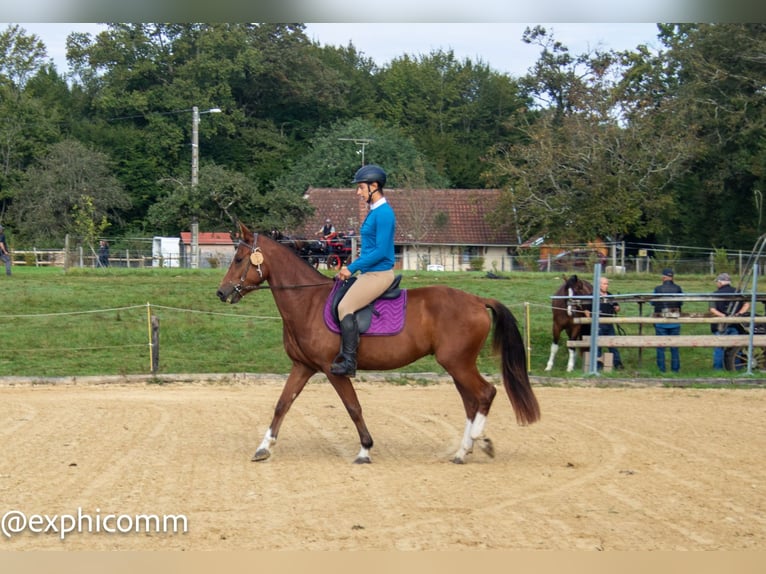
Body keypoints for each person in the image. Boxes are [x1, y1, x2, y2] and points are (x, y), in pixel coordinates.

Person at [331, 164, 396, 376]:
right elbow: (369, 248)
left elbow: (380, 251)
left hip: (379, 273)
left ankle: (349, 362)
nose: (358, 192)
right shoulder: (374, 212)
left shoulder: (384, 214)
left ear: (374, 186)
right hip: (368, 272)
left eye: (361, 187)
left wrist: (352, 267)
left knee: (345, 307)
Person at [709, 272, 749, 370]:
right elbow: (746, 304)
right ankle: (736, 368)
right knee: (736, 348)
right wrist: (738, 314)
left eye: (717, 282)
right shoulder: (738, 292)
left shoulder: (715, 294)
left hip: (720, 325)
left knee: (719, 348)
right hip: (736, 324)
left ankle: (718, 370)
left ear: (720, 282)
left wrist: (723, 316)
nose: (716, 284)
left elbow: (712, 310)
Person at [585, 277, 624, 370]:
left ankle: (617, 364)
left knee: (613, 345)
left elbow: (617, 307)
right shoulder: (592, 296)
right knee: (597, 345)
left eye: (607, 284)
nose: (606, 286)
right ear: (599, 285)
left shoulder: (610, 295)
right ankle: (597, 366)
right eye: (604, 284)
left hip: (609, 324)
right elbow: (586, 311)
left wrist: (617, 308)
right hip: (598, 325)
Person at [651, 268, 683, 373]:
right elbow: (681, 303)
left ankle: (661, 369)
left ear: (663, 277)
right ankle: (675, 369)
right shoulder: (678, 288)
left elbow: (652, 303)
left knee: (660, 347)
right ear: (672, 277)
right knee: (674, 347)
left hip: (661, 322)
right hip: (675, 321)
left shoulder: (657, 289)